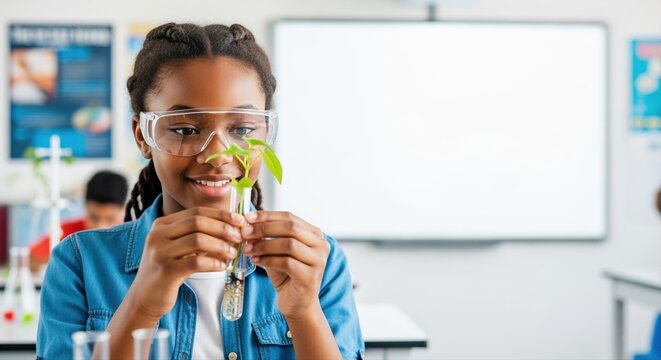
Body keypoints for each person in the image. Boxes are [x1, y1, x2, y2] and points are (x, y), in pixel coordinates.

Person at [37, 23, 364, 359]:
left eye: (242, 128)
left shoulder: (317, 261)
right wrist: (142, 304)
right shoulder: (79, 263)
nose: (217, 155)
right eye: (186, 129)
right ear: (142, 136)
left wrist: (304, 311)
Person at [29, 170, 128, 270]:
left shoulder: (132, 237)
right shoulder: (67, 232)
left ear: (124, 208)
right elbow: (29, 260)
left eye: (110, 219)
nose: (101, 226)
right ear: (85, 205)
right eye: (94, 218)